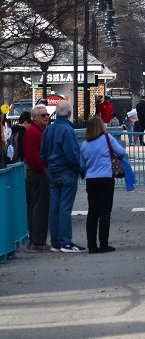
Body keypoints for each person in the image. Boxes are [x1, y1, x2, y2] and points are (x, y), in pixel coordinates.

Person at [40, 100, 85, 253]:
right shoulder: (68, 131)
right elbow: (72, 155)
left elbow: (43, 154)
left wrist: (49, 166)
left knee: (55, 208)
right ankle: (66, 242)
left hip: (53, 171)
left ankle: (56, 242)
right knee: (65, 207)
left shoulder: (48, 130)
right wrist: (79, 169)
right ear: (69, 113)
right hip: (67, 171)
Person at [79, 116, 123, 253]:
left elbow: (82, 165)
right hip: (106, 178)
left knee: (92, 213)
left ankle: (91, 245)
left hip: (91, 180)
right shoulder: (107, 138)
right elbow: (121, 152)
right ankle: (104, 244)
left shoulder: (85, 144)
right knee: (105, 213)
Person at [22, 105, 50, 252]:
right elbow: (33, 156)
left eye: (47, 115)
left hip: (36, 171)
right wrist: (43, 170)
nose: (46, 117)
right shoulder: (33, 133)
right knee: (40, 207)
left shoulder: (37, 131)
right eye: (43, 115)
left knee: (37, 207)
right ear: (35, 118)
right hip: (37, 173)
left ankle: (35, 240)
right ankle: (38, 243)